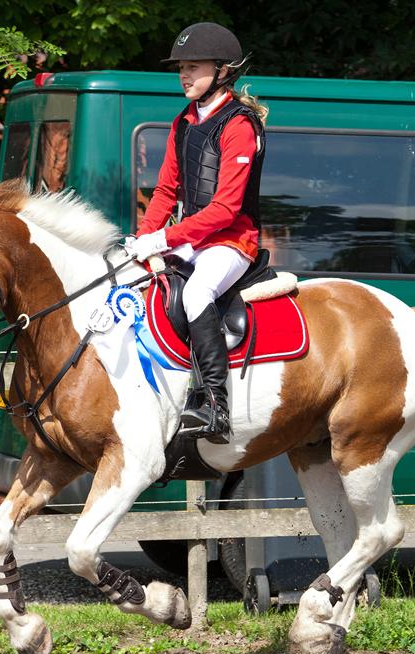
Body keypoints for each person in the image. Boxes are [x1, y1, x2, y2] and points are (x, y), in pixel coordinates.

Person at [128, 21, 268, 444]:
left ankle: (214, 402)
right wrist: (142, 239)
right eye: (180, 68)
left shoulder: (239, 125)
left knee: (194, 294)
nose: (184, 75)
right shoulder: (183, 122)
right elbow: (166, 190)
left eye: (193, 66)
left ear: (223, 71)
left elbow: (225, 209)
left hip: (231, 242)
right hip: (191, 242)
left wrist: (165, 240)